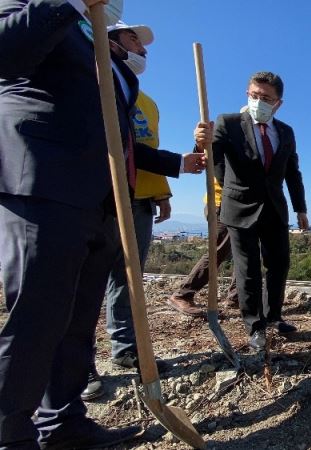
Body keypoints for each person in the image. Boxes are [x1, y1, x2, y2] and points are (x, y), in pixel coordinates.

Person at [0, 1, 204, 448]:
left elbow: (118, 137)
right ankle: (9, 434)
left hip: (103, 201)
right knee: (38, 316)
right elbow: (7, 52)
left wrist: (177, 163)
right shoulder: (33, 10)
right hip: (44, 183)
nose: (138, 47)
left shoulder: (111, 64)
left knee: (77, 320)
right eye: (132, 38)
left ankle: (63, 423)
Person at [82, 20, 175, 402]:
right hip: (96, 198)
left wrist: (162, 191)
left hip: (138, 199)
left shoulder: (145, 99)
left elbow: (143, 149)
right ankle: (79, 363)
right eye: (134, 38)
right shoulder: (90, 78)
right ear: (110, 41)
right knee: (83, 283)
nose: (143, 48)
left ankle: (124, 348)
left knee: (128, 276)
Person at [195, 71, 309, 351]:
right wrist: (201, 141)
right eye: (254, 95)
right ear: (248, 94)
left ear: (278, 103)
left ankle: (273, 317)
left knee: (279, 264)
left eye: (266, 98)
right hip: (239, 208)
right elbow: (211, 159)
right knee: (248, 270)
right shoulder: (229, 122)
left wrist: (301, 209)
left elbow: (293, 173)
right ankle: (255, 326)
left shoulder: (285, 132)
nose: (258, 101)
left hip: (274, 208)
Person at [167, 179, 239, 316]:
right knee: (219, 251)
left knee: (243, 252)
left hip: (239, 204)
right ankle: (182, 294)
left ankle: (236, 298)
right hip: (224, 203)